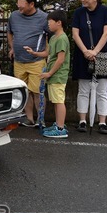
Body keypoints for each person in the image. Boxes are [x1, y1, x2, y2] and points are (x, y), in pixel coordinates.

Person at [71, 0, 107, 134]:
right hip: (82, 55)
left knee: (102, 90)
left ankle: (102, 122)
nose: (83, 1)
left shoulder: (106, 11)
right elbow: (75, 34)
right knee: (83, 89)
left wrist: (94, 51)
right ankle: (82, 120)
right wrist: (85, 51)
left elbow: (106, 34)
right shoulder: (78, 13)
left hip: (101, 55)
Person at [24, 10, 70, 138]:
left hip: (58, 75)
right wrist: (34, 53)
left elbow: (60, 59)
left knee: (59, 101)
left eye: (50, 22)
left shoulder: (61, 38)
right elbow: (47, 54)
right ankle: (58, 124)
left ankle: (60, 128)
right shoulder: (54, 37)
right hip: (54, 75)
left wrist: (49, 73)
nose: (48, 24)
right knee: (56, 100)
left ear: (59, 23)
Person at [7, 0, 49, 127]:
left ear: (32, 4)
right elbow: (10, 32)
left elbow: (50, 37)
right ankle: (28, 118)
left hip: (36, 61)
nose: (19, 9)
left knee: (37, 92)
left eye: (22, 7)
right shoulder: (14, 16)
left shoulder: (44, 18)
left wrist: (45, 53)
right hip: (19, 60)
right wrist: (12, 47)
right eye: (18, 6)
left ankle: (40, 119)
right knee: (24, 92)